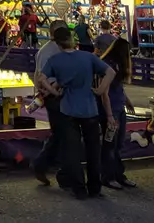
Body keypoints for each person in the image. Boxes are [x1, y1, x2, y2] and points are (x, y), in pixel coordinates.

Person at [37, 25, 116, 199]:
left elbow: (41, 79)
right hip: (89, 108)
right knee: (93, 150)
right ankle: (95, 187)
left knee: (72, 152)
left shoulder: (55, 60)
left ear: (57, 43)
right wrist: (101, 89)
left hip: (68, 110)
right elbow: (110, 72)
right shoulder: (88, 57)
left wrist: (53, 91)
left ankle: (79, 189)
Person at [32, 19, 67, 185]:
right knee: (62, 132)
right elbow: (43, 76)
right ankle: (42, 163)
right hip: (55, 95)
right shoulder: (52, 50)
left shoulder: (47, 49)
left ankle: (44, 164)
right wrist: (53, 89)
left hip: (52, 94)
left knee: (60, 132)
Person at [97, 37, 135, 189]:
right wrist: (109, 115)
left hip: (119, 107)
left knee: (118, 144)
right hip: (111, 110)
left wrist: (127, 100)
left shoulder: (117, 65)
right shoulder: (107, 66)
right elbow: (104, 93)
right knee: (109, 145)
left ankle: (119, 174)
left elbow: (118, 86)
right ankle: (108, 176)